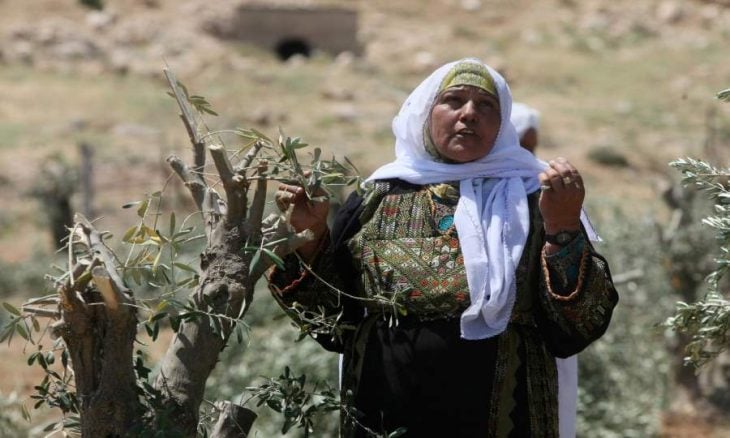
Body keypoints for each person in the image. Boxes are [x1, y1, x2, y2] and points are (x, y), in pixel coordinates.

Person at [269, 58, 618, 437]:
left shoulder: (533, 198)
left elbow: (578, 325)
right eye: (453, 100)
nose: (469, 113)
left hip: (506, 411)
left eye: (486, 105)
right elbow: (330, 319)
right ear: (425, 112)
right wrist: (309, 235)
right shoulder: (374, 198)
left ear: (502, 123)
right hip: (385, 403)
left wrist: (563, 228)